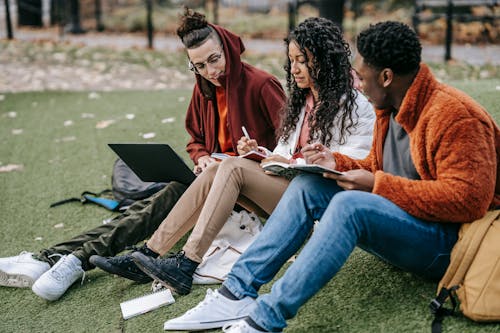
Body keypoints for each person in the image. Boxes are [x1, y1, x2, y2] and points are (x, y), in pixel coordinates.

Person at [160, 21, 500, 333]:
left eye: (362, 76)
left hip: (451, 247)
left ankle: (264, 320)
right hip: (408, 224)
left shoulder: (456, 116)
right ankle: (235, 294)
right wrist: (334, 161)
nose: (357, 82)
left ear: (385, 76)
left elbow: (469, 201)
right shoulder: (391, 106)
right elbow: (379, 165)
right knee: (310, 184)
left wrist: (378, 185)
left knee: (351, 206)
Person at [0, 8, 285, 301]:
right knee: (149, 205)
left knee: (161, 201)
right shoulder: (204, 90)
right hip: (212, 182)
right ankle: (56, 258)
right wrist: (201, 157)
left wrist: (255, 154)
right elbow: (195, 140)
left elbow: (288, 150)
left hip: (249, 191)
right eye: (199, 66)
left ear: (228, 49)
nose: (210, 72)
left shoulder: (262, 85)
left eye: (214, 59)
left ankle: (69, 260)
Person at [90, 16, 375, 296]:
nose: (295, 68)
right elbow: (284, 152)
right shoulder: (303, 101)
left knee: (232, 168)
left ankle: (187, 263)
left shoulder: (356, 104)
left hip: (318, 200)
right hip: (290, 187)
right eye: (292, 60)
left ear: (325, 60)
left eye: (303, 60)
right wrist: (258, 153)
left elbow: (362, 157)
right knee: (219, 168)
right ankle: (151, 251)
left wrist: (324, 158)